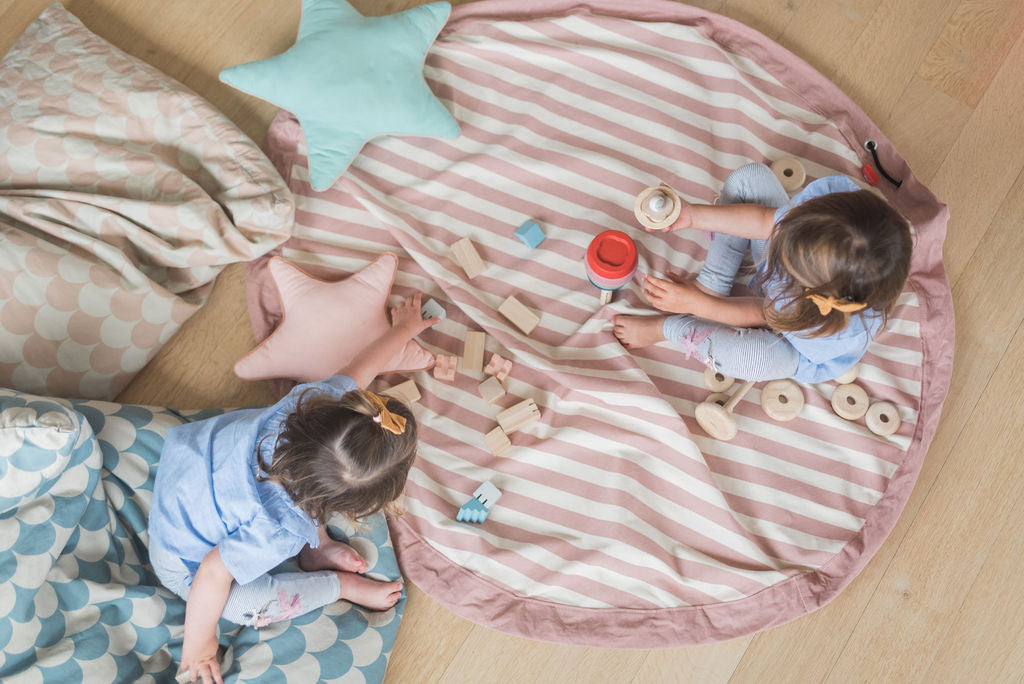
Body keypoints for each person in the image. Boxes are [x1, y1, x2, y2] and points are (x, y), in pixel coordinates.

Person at [148, 292, 439, 684]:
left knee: (306, 484)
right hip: (182, 561)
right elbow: (212, 573)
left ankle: (317, 548)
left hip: (192, 456)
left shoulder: (311, 400)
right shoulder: (277, 531)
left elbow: (363, 366)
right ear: (353, 507)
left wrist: (402, 329)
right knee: (249, 606)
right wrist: (200, 641)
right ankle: (338, 586)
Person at [614, 163, 912, 383]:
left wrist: (693, 307)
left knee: (753, 360)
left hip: (793, 338)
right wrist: (693, 215)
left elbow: (761, 312)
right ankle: (712, 284)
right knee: (749, 179)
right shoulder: (837, 203)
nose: (777, 246)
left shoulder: (828, 322)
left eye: (788, 259)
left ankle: (668, 329)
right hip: (800, 285)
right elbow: (766, 221)